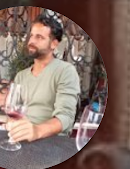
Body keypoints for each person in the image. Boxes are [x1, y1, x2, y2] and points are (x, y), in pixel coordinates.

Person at [5, 14, 80, 143]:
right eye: (31, 36)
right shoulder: (21, 76)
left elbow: (66, 118)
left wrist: (36, 131)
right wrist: (11, 124)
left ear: (54, 44)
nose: (31, 41)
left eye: (39, 37)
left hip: (51, 142)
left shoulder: (65, 71)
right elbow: (14, 111)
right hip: (22, 138)